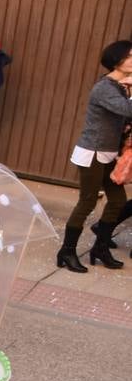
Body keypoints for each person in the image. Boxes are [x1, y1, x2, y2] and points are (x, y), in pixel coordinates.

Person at [57, 40, 132, 272]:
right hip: (92, 152)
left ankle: (100, 247)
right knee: (87, 201)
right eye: (130, 56)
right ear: (117, 61)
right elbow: (128, 110)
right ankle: (67, 251)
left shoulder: (120, 87)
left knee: (118, 200)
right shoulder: (104, 88)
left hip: (108, 153)